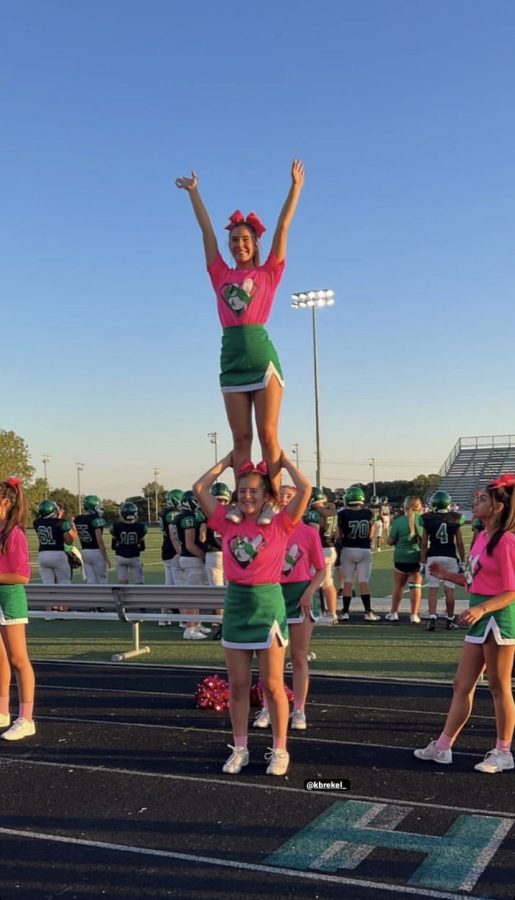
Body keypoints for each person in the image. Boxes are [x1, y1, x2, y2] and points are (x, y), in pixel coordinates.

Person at [175, 161, 304, 499]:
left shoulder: (269, 272)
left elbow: (283, 227)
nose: (238, 245)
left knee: (268, 434)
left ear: (254, 242)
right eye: (233, 240)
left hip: (261, 357)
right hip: (231, 357)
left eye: (244, 239)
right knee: (241, 438)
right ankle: (243, 498)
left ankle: (272, 500)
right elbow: (205, 232)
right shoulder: (219, 273)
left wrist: (295, 189)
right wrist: (194, 193)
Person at [193, 451, 311, 776]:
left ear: (266, 496)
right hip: (236, 606)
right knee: (238, 685)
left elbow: (305, 489)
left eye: (254, 491)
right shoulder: (225, 522)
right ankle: (241, 748)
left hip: (268, 606)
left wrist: (283, 462)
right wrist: (227, 462)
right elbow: (199, 488)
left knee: (272, 685)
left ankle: (280, 749)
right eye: (242, 491)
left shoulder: (281, 523)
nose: (247, 496)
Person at [414, 475, 515, 773]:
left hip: (498, 619)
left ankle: (504, 752)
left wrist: (482, 608)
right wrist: (447, 576)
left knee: (498, 686)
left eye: (482, 499)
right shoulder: (482, 536)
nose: (476, 502)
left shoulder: (507, 540)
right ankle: (443, 747)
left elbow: (511, 590)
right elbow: (475, 582)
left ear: (498, 507)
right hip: (480, 616)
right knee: (462, 684)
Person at [253, 484, 325, 732]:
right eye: (280, 496)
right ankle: (268, 707)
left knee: (298, 657)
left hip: (301, 595)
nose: (285, 500)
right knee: (270, 659)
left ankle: (299, 710)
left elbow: (321, 568)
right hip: (273, 595)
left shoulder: (308, 532)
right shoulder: (267, 529)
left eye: (290, 497)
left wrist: (308, 592)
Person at [0, 478, 36, 741]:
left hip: (10, 601)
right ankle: (2, 711)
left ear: (4, 502)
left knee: (18, 660)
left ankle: (26, 719)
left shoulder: (14, 533)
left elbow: (22, 576)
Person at [421, 490, 466, 632]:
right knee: (449, 590)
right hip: (450, 556)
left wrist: (422, 563)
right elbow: (459, 543)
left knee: (433, 590)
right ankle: (450, 620)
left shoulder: (427, 518)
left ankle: (432, 618)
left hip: (433, 555)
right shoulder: (455, 518)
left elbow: (423, 544)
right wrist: (463, 561)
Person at [337, 486, 380, 621]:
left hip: (348, 549)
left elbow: (338, 535)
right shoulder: (368, 513)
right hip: (364, 550)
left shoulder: (342, 514)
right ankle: (368, 612)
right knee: (363, 582)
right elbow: (371, 534)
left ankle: (345, 612)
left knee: (348, 583)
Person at [176, 490, 209, 640]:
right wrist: (204, 556)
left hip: (187, 557)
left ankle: (196, 624)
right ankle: (190, 628)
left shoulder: (180, 517)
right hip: (192, 558)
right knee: (193, 595)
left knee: (196, 595)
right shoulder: (188, 518)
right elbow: (190, 545)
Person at [385, 496, 423, 624]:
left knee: (398, 586)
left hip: (401, 557)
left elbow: (390, 541)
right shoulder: (422, 520)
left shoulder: (399, 521)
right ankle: (414, 615)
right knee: (416, 586)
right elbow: (424, 541)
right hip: (416, 557)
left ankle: (394, 613)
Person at [309, 488, 338, 623]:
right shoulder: (331, 509)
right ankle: (332, 613)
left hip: (320, 549)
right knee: (328, 582)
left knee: (314, 582)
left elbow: (313, 534)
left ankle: (319, 612)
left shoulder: (314, 514)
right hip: (330, 547)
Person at [33, 499, 77, 585]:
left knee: (47, 584)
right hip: (57, 554)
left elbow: (50, 523)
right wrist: (69, 529)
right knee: (64, 582)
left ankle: (49, 598)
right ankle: (64, 599)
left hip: (43, 555)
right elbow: (68, 541)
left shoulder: (37, 522)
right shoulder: (61, 523)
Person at [75, 495, 110, 583]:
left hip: (85, 551)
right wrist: (106, 557)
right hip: (96, 551)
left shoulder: (78, 519)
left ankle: (91, 597)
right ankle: (103, 597)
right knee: (102, 580)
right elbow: (99, 541)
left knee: (91, 581)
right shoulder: (96, 519)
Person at [110, 502, 147, 585]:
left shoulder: (115, 527)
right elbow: (143, 547)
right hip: (134, 557)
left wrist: (122, 548)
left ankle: (122, 597)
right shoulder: (141, 527)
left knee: (122, 582)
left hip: (120, 557)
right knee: (139, 583)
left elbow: (113, 546)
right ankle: (138, 596)